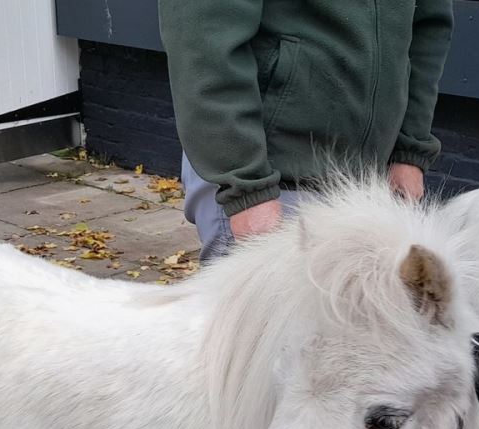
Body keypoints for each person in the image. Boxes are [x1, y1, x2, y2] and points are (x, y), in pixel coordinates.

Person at [160, 0, 454, 260]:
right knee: (264, 322)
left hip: (368, 183)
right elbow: (203, 41)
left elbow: (430, 23)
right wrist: (246, 188)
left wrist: (409, 150)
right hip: (268, 174)